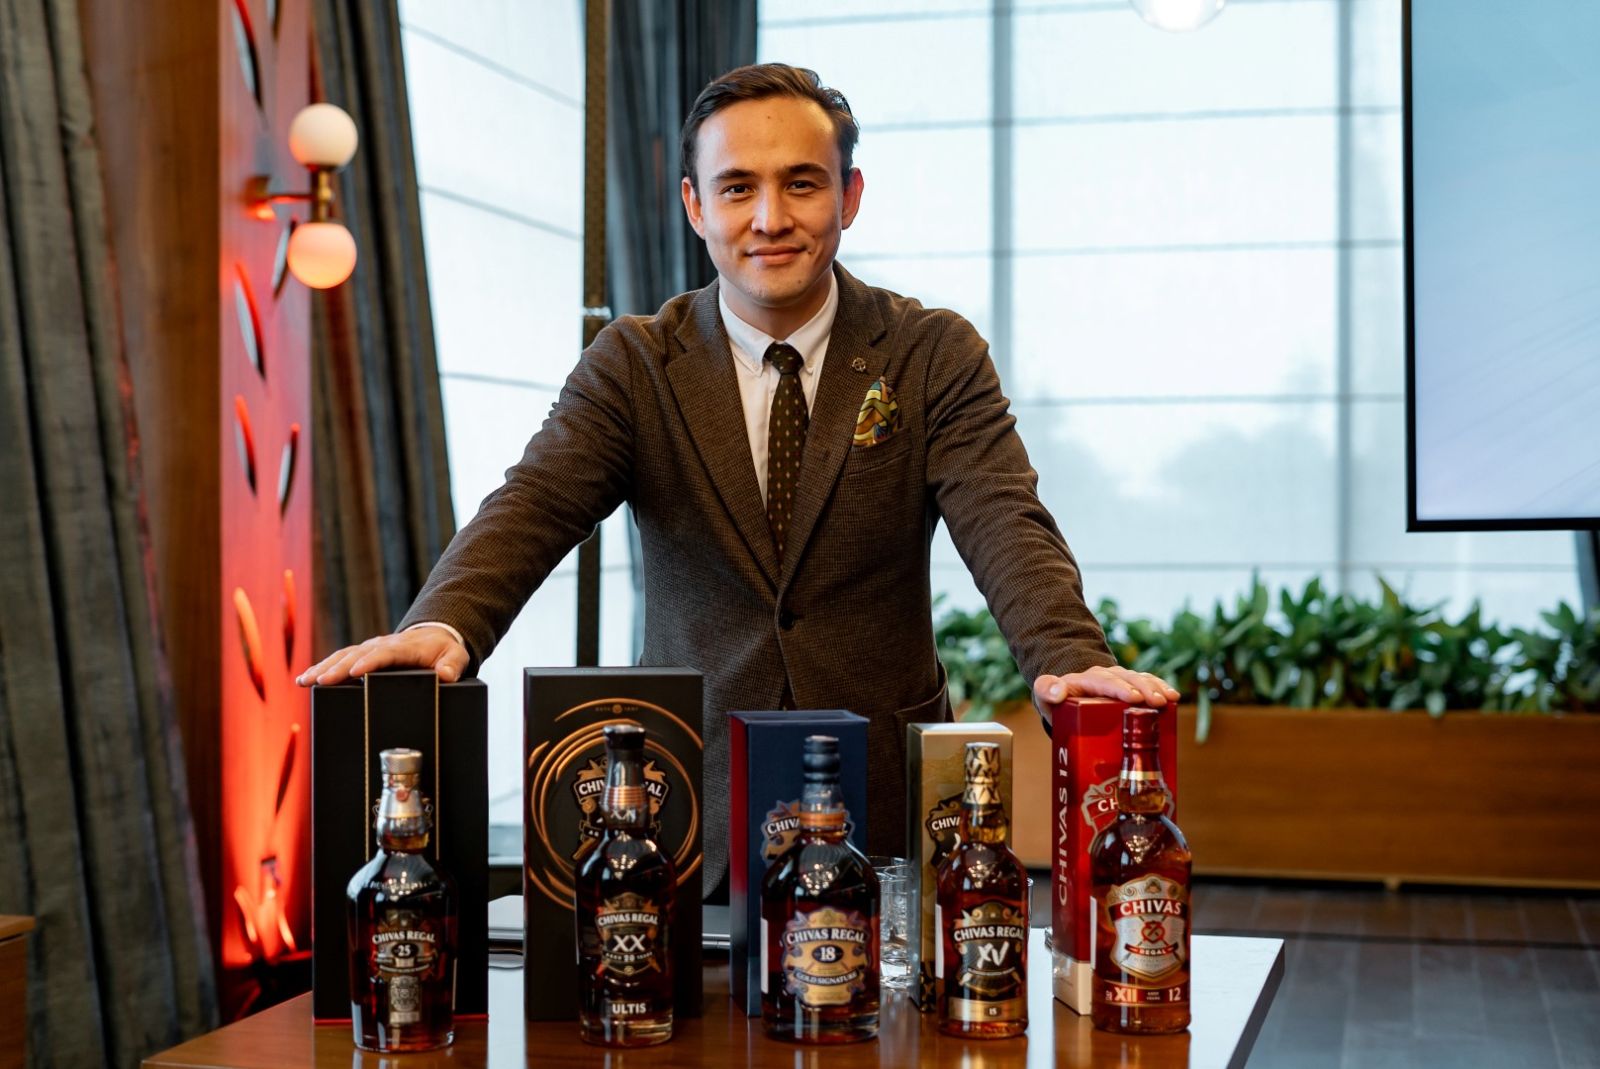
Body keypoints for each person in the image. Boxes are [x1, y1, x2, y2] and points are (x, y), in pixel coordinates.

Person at [298, 64, 1177, 895]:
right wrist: (445, 620)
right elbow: (535, 500)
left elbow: (1005, 515)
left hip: (881, 795)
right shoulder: (635, 363)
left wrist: (1069, 659)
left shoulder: (930, 352)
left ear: (849, 196)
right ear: (694, 205)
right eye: (736, 187)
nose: (770, 217)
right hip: (690, 801)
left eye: (802, 183)